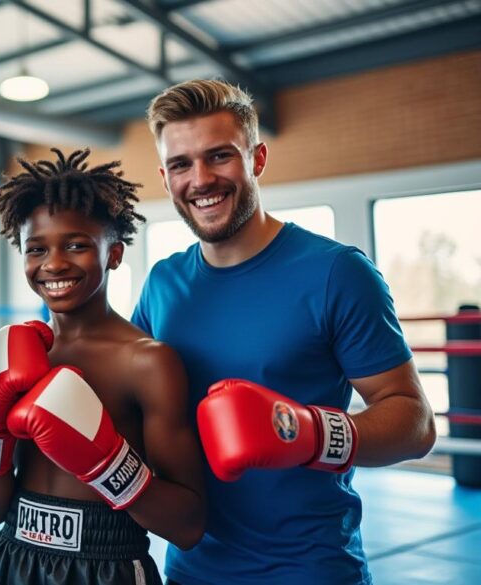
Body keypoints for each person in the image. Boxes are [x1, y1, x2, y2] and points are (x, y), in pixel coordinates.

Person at [132, 79, 437, 584]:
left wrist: (310, 434)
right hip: (191, 570)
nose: (201, 179)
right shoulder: (164, 282)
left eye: (220, 156)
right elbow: (130, 402)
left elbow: (416, 422)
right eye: (182, 164)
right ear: (165, 179)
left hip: (309, 569)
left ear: (257, 158)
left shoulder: (336, 272)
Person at [0, 148, 206, 585]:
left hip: (107, 566)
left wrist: (108, 466)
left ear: (114, 254)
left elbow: (188, 525)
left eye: (77, 245)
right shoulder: (13, 353)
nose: (54, 263)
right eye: (36, 248)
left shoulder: (147, 361)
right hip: (12, 558)